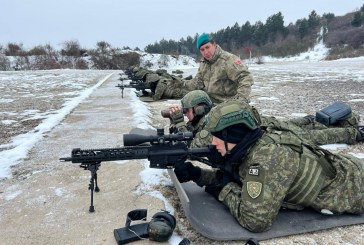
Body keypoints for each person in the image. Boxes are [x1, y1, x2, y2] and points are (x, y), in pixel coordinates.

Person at [174, 100, 364, 232]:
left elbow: (255, 221)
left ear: (232, 136)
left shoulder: (267, 159)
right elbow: (238, 177)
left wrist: (224, 189)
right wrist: (198, 174)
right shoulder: (251, 146)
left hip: (357, 189)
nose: (213, 142)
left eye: (216, 136)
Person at [167, 90, 363, 148]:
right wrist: (178, 123)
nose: (186, 115)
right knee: (302, 124)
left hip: (267, 130)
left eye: (188, 111)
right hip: (263, 123)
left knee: (309, 137)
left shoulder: (211, 122)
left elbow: (192, 142)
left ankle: (355, 132)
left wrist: (177, 122)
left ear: (200, 109)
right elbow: (189, 134)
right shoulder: (205, 119)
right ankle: (315, 120)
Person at [182, 33, 254, 104]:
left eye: (207, 47)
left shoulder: (228, 60)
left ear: (214, 44)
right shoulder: (203, 63)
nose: (206, 52)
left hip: (227, 105)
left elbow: (246, 77)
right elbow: (197, 83)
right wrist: (178, 83)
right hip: (210, 104)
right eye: (202, 50)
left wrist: (240, 100)